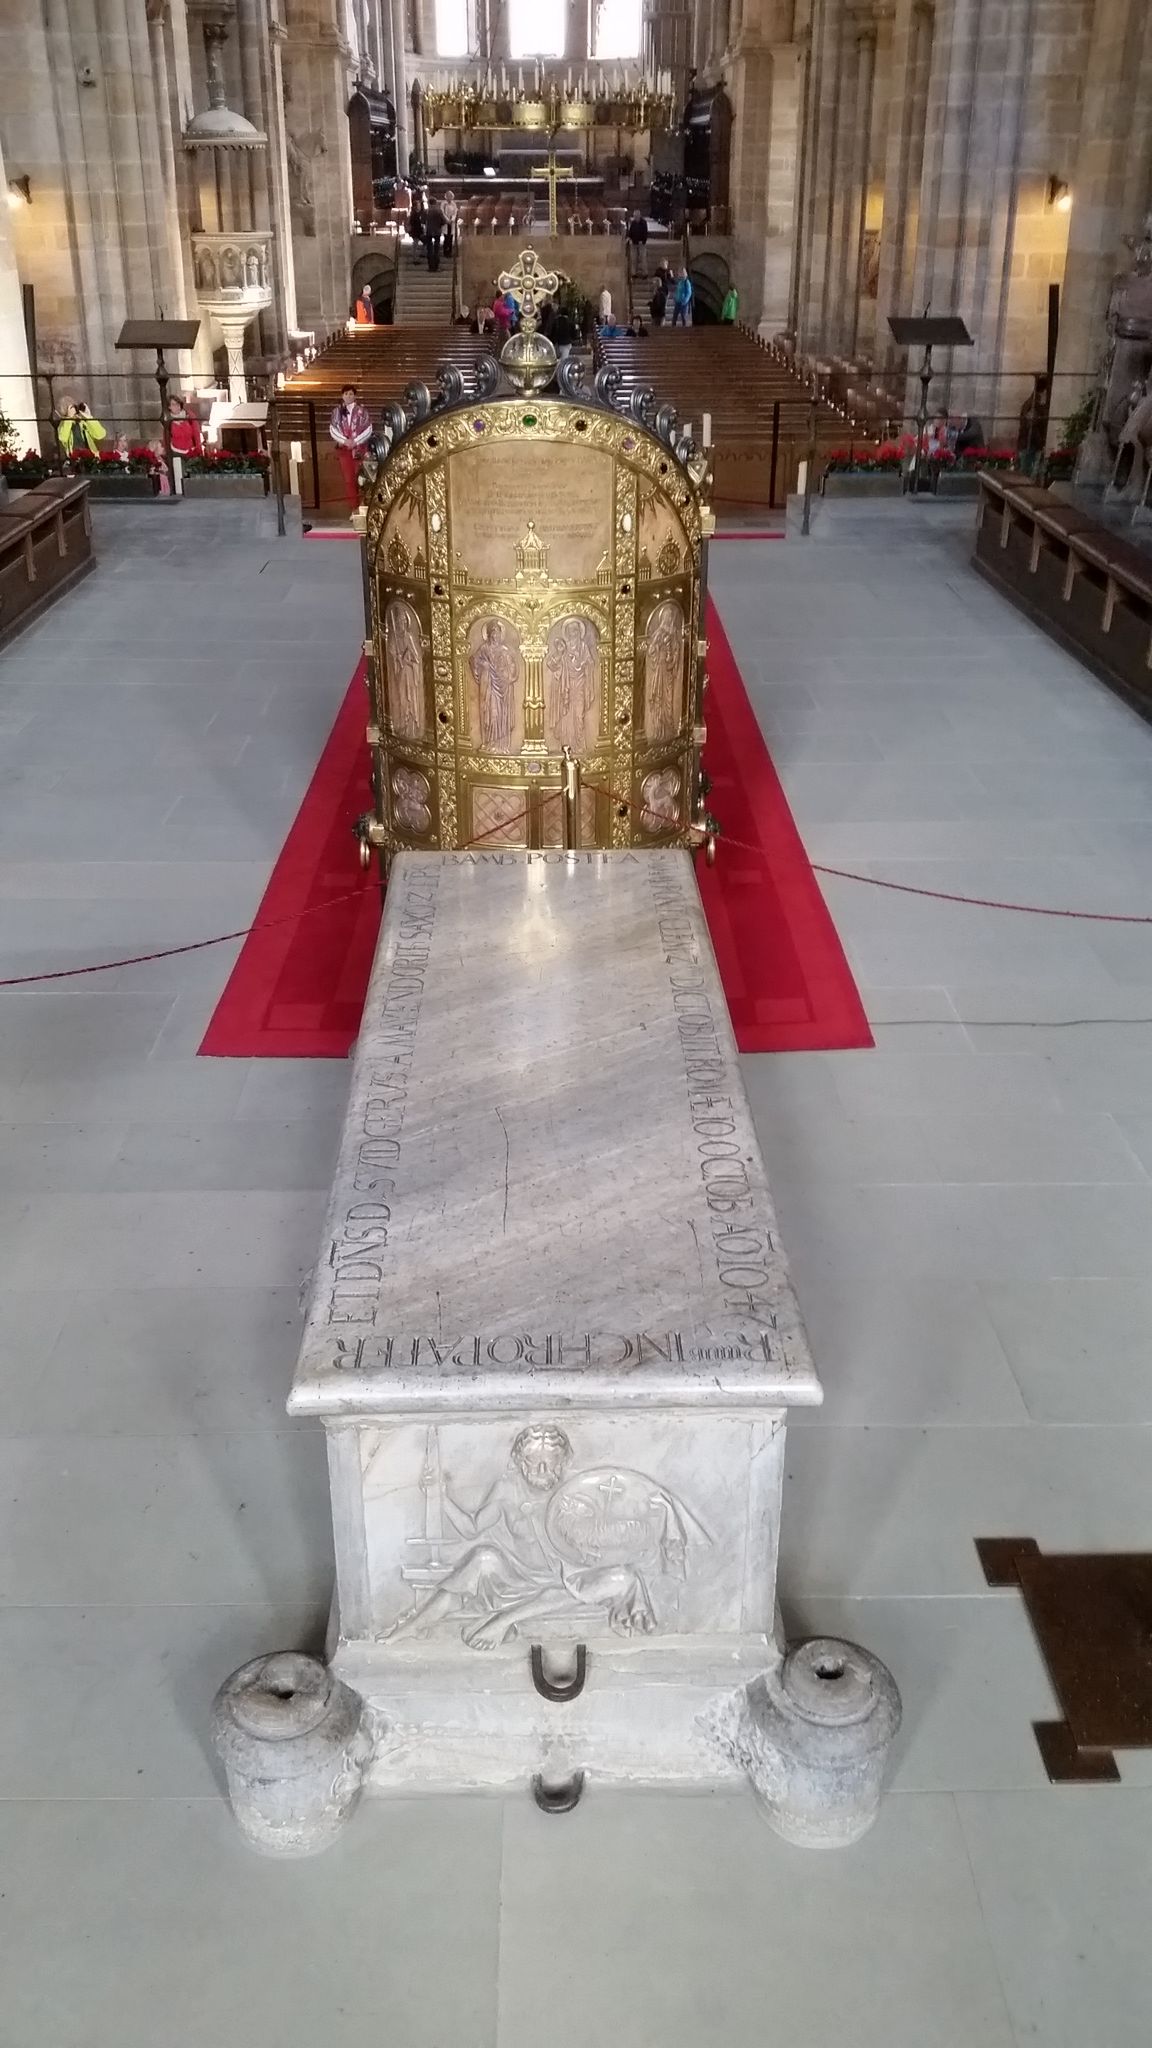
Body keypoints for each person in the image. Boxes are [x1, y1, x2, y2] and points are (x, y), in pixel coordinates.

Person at [329, 383, 374, 510]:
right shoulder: (337, 412)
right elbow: (333, 429)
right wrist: (345, 441)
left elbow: (368, 429)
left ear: (354, 396)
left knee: (362, 478)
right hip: (345, 451)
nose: (348, 396)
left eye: (351, 394)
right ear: (342, 396)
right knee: (349, 480)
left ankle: (364, 507)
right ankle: (354, 508)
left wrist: (356, 441)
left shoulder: (362, 411)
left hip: (360, 450)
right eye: (346, 394)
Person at [425, 195, 446, 272]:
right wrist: (439, 225)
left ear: (429, 203)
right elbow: (444, 221)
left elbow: (423, 221)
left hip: (429, 231)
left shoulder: (426, 211)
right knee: (436, 249)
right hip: (437, 231)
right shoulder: (439, 211)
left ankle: (430, 267)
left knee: (429, 249)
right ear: (436, 202)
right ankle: (436, 267)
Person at [627, 209, 649, 277]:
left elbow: (645, 233)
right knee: (634, 259)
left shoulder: (643, 222)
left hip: (641, 243)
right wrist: (629, 238)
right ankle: (634, 273)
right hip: (634, 243)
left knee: (643, 258)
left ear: (639, 215)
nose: (635, 217)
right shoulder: (633, 223)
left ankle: (645, 273)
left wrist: (643, 241)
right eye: (634, 216)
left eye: (636, 216)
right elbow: (631, 232)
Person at [442, 189, 459, 255]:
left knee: (451, 237)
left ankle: (450, 251)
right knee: (446, 237)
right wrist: (447, 219)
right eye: (448, 196)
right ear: (446, 197)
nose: (449, 198)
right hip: (446, 221)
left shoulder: (453, 204)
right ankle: (445, 251)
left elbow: (455, 212)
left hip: (452, 222)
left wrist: (452, 219)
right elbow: (442, 212)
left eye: (450, 196)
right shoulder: (443, 204)